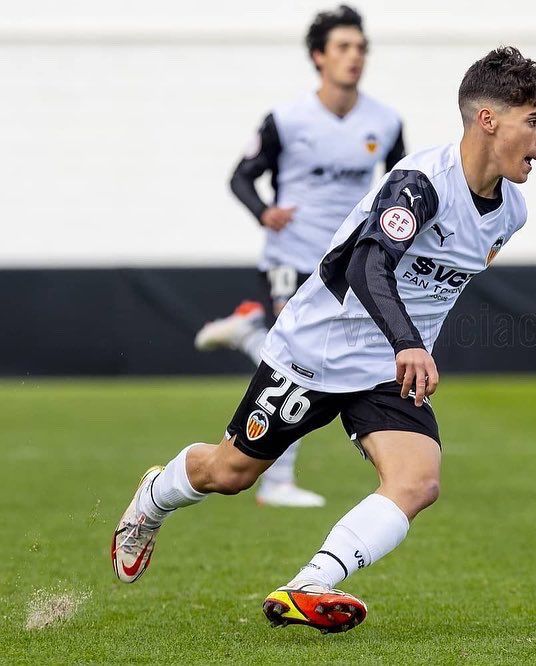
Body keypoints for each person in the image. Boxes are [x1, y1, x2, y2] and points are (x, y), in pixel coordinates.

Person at [112, 46, 536, 635]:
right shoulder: (421, 183)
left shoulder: (512, 211)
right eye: (535, 120)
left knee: (418, 482)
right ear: (488, 119)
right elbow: (365, 268)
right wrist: (410, 341)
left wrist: (405, 345)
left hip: (386, 371)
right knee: (231, 473)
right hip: (315, 353)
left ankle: (309, 584)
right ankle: (153, 499)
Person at [194, 6, 406, 508]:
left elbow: (404, 183)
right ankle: (276, 480)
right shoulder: (287, 120)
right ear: (319, 56)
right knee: (300, 357)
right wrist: (265, 213)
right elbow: (240, 176)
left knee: (317, 353)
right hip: (293, 254)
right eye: (343, 48)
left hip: (347, 262)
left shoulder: (385, 119)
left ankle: (248, 331)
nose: (354, 57)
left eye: (361, 48)